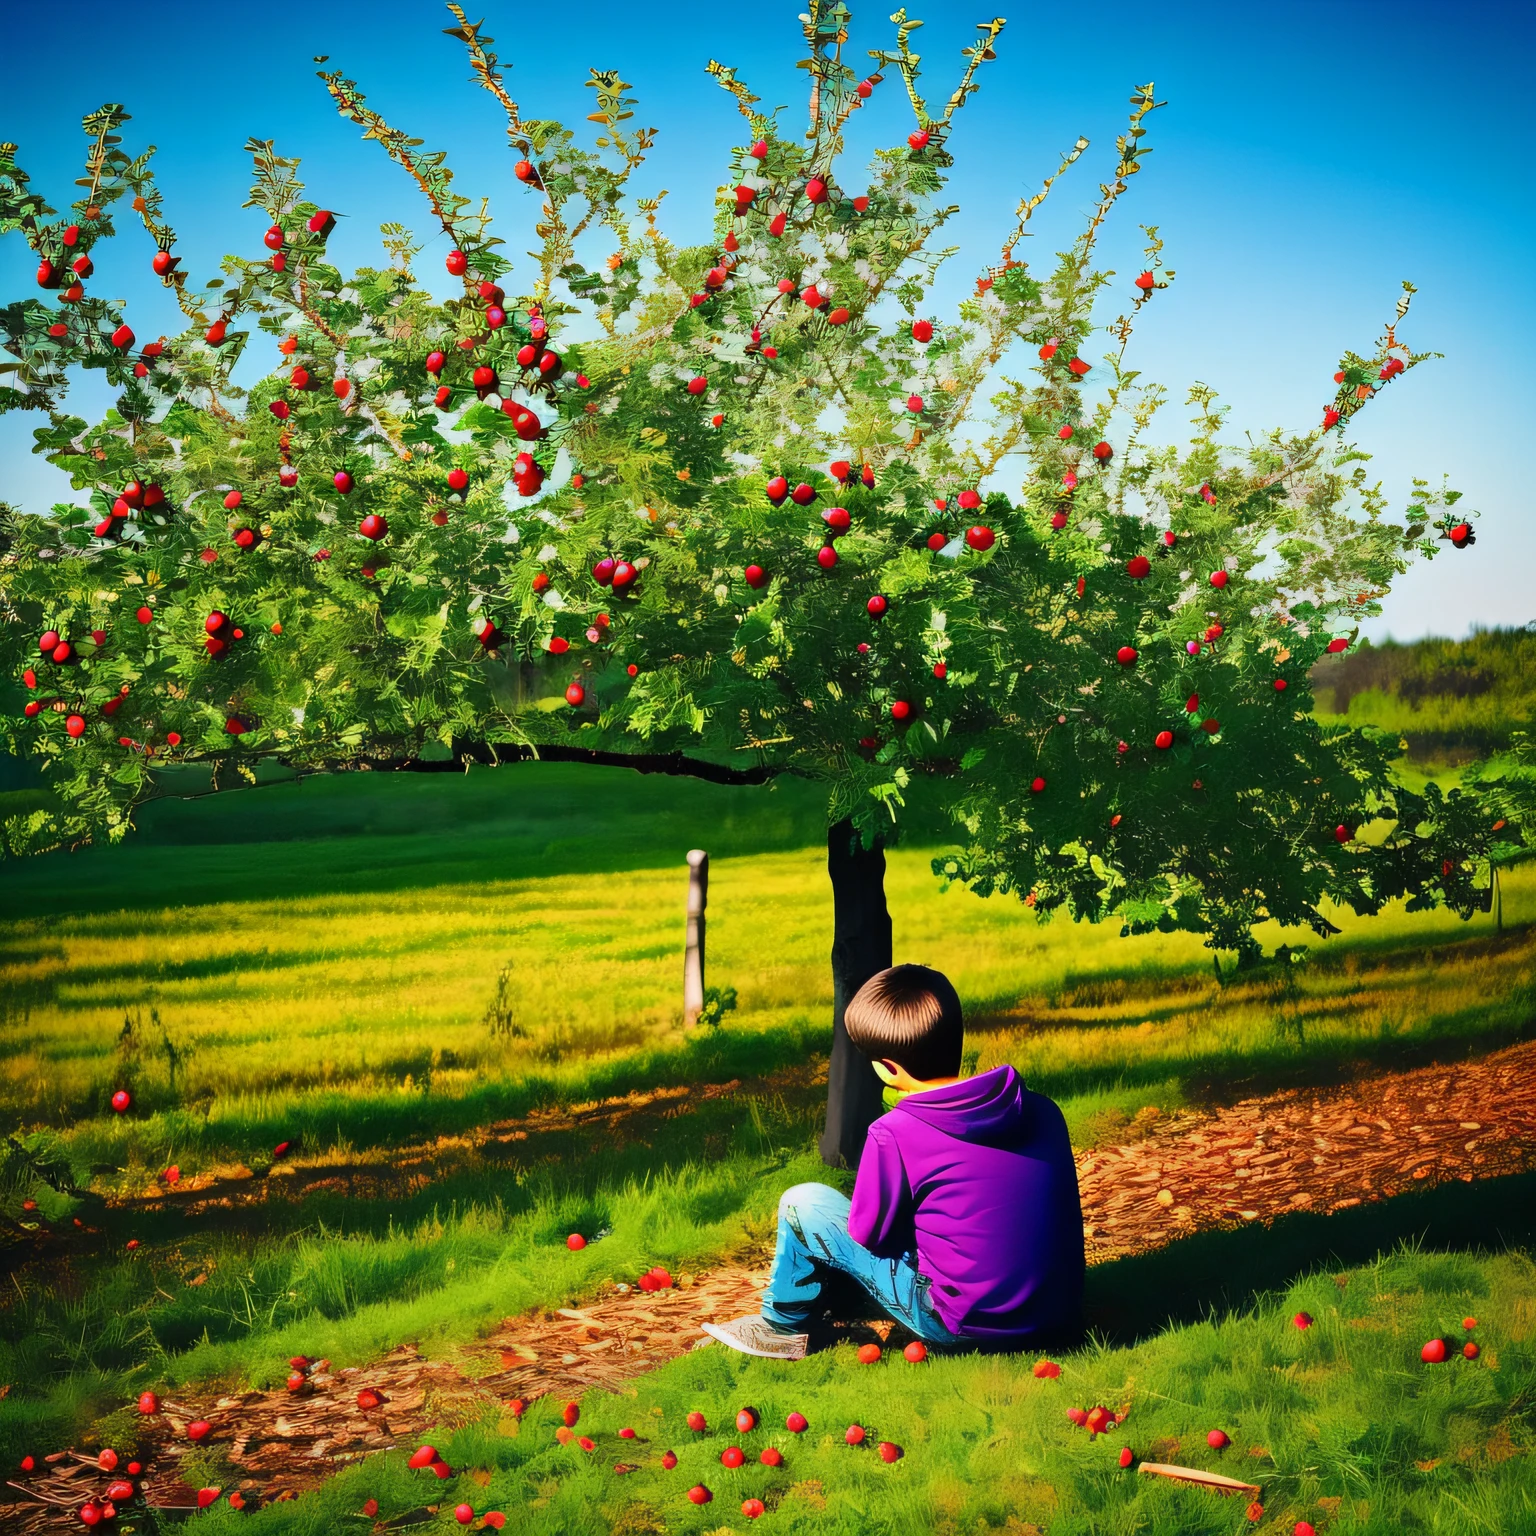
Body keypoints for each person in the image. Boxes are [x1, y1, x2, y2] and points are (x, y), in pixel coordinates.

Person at [701, 964, 1083, 1360]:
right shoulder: (1041, 1109)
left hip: (960, 1325)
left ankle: (783, 1326)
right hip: (1057, 1316)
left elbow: (870, 1235)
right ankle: (832, 1305)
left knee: (804, 1202)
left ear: (888, 1067)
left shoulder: (897, 1131)